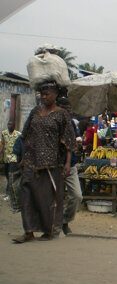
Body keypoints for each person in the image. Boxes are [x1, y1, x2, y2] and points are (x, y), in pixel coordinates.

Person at [12, 81, 76, 243]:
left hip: (51, 164)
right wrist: (22, 157)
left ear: (55, 96)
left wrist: (67, 163)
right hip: (30, 161)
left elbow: (69, 141)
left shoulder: (61, 115)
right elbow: (25, 135)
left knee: (46, 198)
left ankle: (48, 230)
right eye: (42, 94)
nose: (44, 97)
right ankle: (28, 231)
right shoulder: (35, 111)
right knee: (26, 195)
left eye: (47, 94)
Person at [58, 97, 83, 235]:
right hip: (55, 165)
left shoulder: (72, 124)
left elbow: (71, 143)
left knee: (77, 196)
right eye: (65, 109)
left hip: (70, 165)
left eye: (69, 110)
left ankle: (65, 221)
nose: (68, 112)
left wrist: (76, 145)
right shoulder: (54, 122)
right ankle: (54, 224)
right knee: (55, 197)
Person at [0, 120, 21, 200]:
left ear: (14, 126)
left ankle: (9, 194)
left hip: (14, 158)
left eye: (11, 125)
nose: (9, 126)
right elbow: (2, 143)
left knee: (11, 175)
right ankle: (9, 193)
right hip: (6, 158)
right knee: (6, 175)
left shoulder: (18, 134)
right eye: (8, 124)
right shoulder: (4, 133)